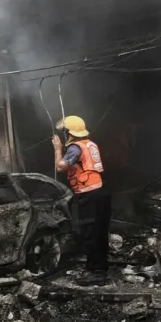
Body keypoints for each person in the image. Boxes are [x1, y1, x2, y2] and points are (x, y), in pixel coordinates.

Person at [52, 115, 112, 286]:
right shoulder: (89, 144)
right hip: (100, 190)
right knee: (100, 231)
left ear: (70, 133)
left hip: (89, 194)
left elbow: (60, 167)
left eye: (65, 132)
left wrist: (57, 149)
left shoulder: (75, 148)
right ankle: (98, 266)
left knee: (90, 233)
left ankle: (97, 273)